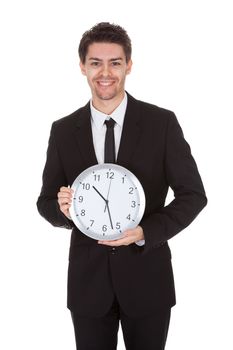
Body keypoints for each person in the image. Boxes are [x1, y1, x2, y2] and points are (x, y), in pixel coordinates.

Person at [37, 22, 207, 350]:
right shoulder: (63, 130)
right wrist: (62, 211)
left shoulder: (162, 124)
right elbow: (45, 200)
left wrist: (146, 231)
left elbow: (193, 195)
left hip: (148, 281)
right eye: (96, 62)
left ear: (129, 65)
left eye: (115, 62)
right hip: (88, 285)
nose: (106, 72)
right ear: (83, 66)